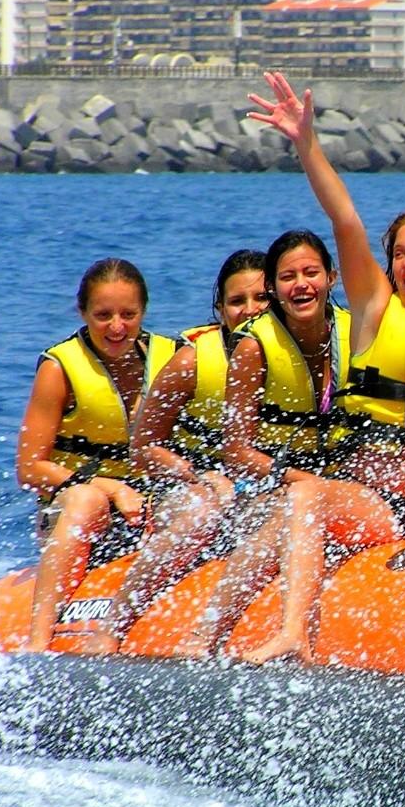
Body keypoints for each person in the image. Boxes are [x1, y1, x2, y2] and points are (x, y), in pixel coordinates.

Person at [205, 73, 405, 664]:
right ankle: (293, 631)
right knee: (305, 498)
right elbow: (345, 219)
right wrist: (306, 143)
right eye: (399, 254)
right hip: (369, 500)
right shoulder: (375, 310)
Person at [185, 228, 354, 657]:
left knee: (306, 502)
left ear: (332, 277)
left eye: (311, 272)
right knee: (295, 507)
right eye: (287, 277)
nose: (301, 285)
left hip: (340, 493)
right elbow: (236, 451)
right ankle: (205, 635)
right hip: (268, 495)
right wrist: (300, 481)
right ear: (275, 289)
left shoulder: (358, 333)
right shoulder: (254, 347)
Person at [101, 249, 271, 645]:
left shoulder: (301, 357)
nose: (250, 310)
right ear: (220, 310)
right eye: (236, 301)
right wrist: (200, 476)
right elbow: (144, 448)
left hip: (256, 491)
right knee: (201, 513)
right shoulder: (191, 363)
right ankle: (112, 628)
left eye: (261, 298)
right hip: (186, 489)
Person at [16, 258, 178, 652]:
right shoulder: (59, 368)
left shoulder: (172, 358)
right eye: (103, 315)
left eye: (129, 314)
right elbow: (29, 469)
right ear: (83, 312)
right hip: (76, 509)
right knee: (88, 500)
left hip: (148, 508)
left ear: (144, 312)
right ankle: (38, 644)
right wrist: (109, 487)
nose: (117, 327)